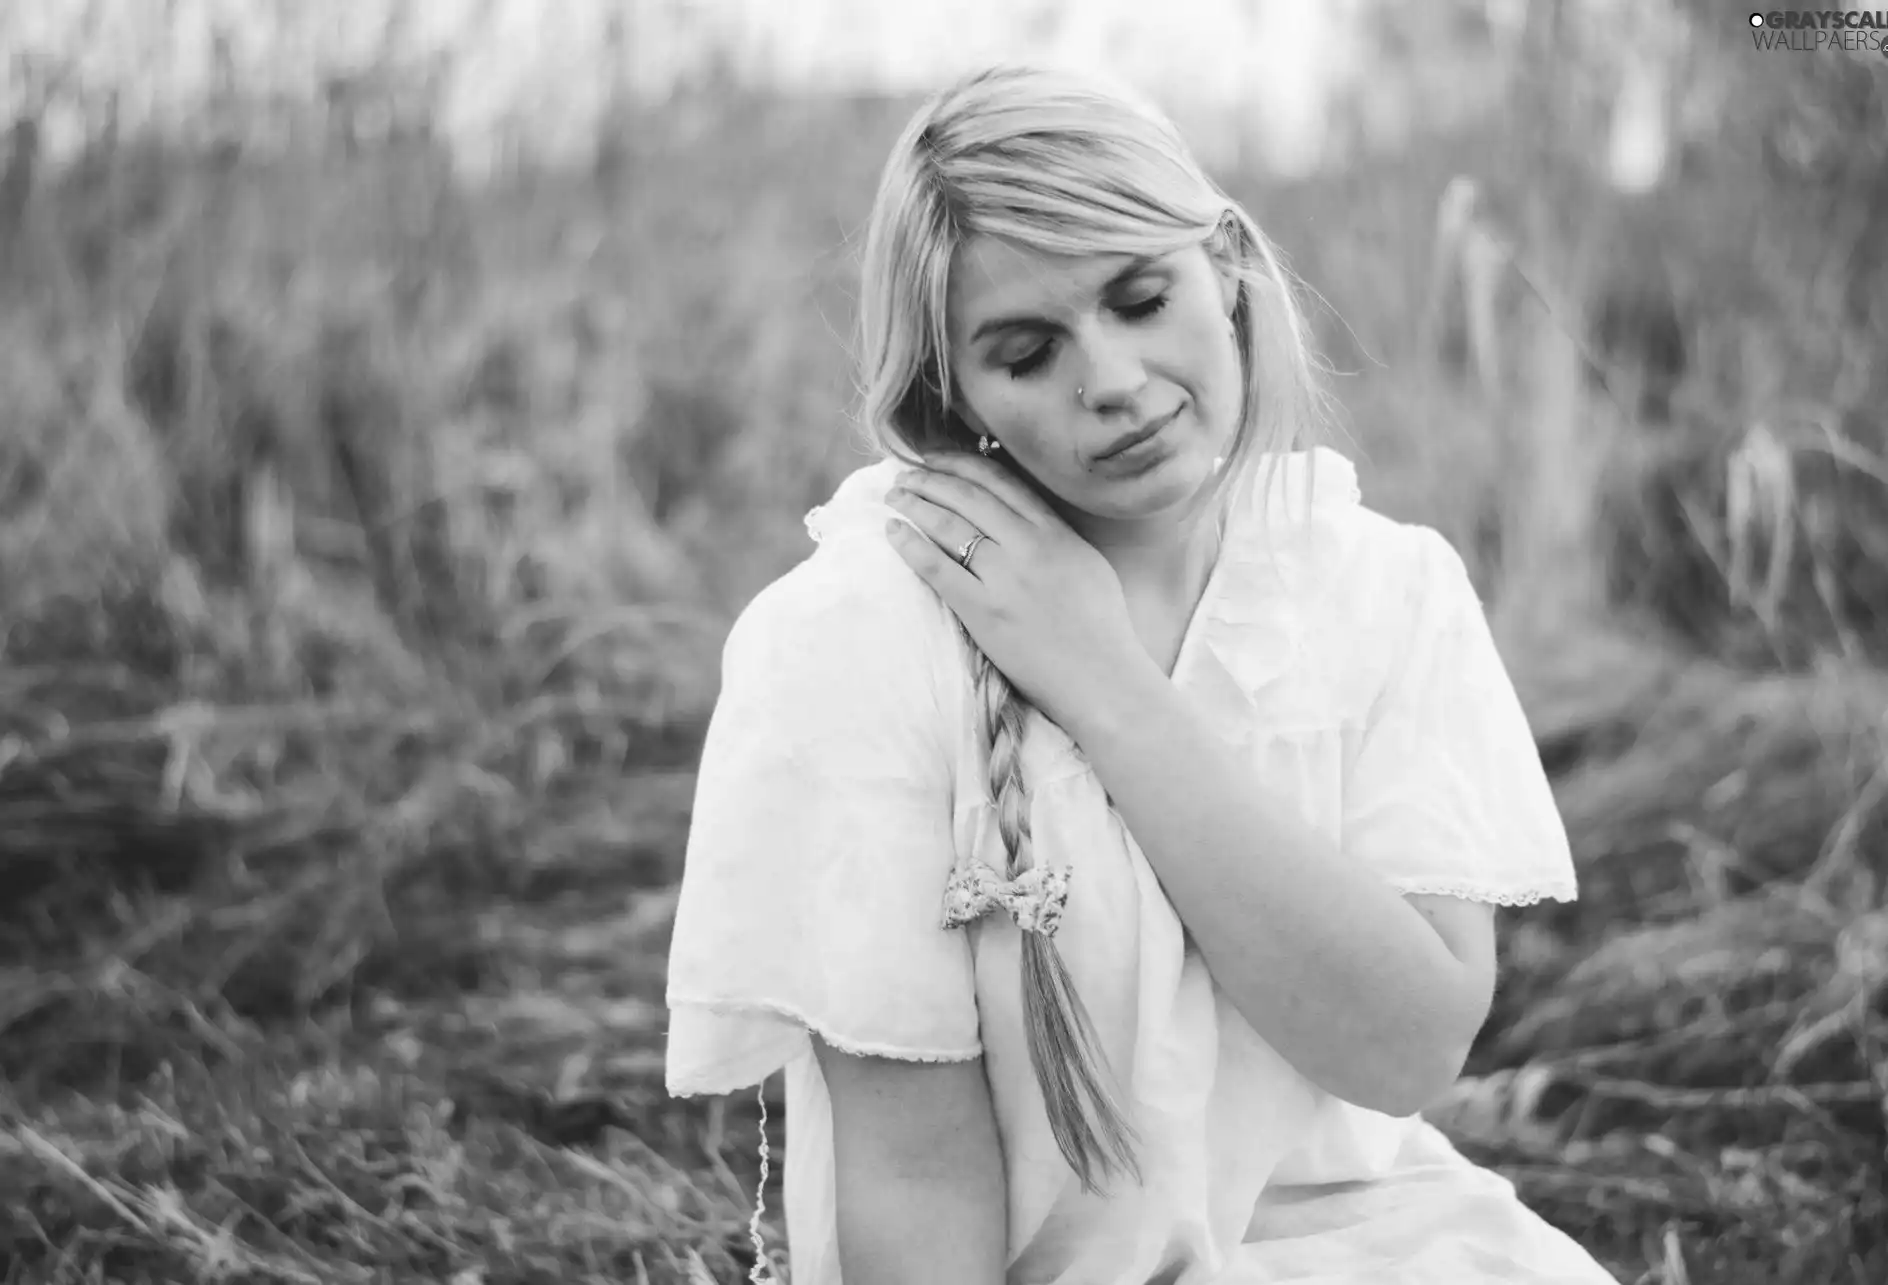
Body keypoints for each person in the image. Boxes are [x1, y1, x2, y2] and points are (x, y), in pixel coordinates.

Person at [664, 63, 1619, 1285]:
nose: (1109, 378)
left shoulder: (1383, 591)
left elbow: (1406, 1047)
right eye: (1027, 349)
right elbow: (912, 1175)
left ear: (1223, 268)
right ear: (953, 393)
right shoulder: (853, 637)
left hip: (1365, 1243)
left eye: (1138, 294)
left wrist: (1103, 679)